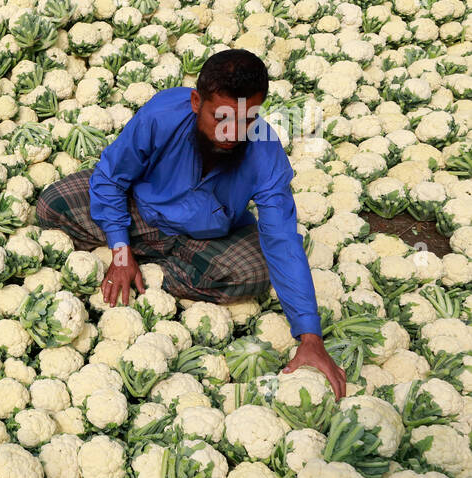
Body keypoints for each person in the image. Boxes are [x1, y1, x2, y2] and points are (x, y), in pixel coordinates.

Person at [33, 48, 347, 399]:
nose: (232, 133)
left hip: (207, 236)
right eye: (221, 118)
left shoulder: (265, 150)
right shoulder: (162, 114)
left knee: (255, 273)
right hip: (142, 212)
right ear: (197, 102)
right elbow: (111, 178)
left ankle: (157, 273)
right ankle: (133, 254)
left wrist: (311, 336)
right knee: (52, 204)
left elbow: (283, 239)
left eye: (247, 121)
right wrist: (120, 251)